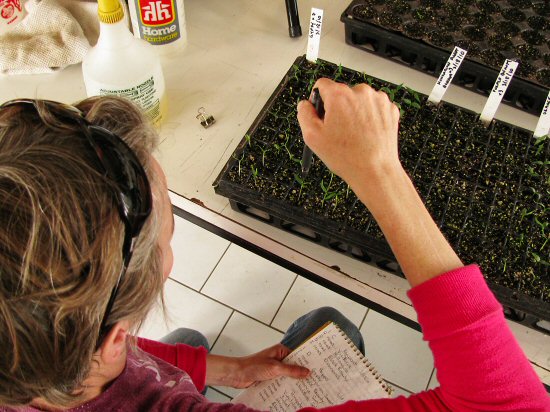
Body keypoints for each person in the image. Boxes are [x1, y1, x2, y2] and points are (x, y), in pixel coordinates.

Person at [0, 78, 547, 411]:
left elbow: (117, 358)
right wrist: (380, 172)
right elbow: (510, 403)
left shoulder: (39, 355)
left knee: (189, 343)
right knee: (332, 322)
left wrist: (226, 371)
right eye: (171, 226)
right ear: (116, 334)